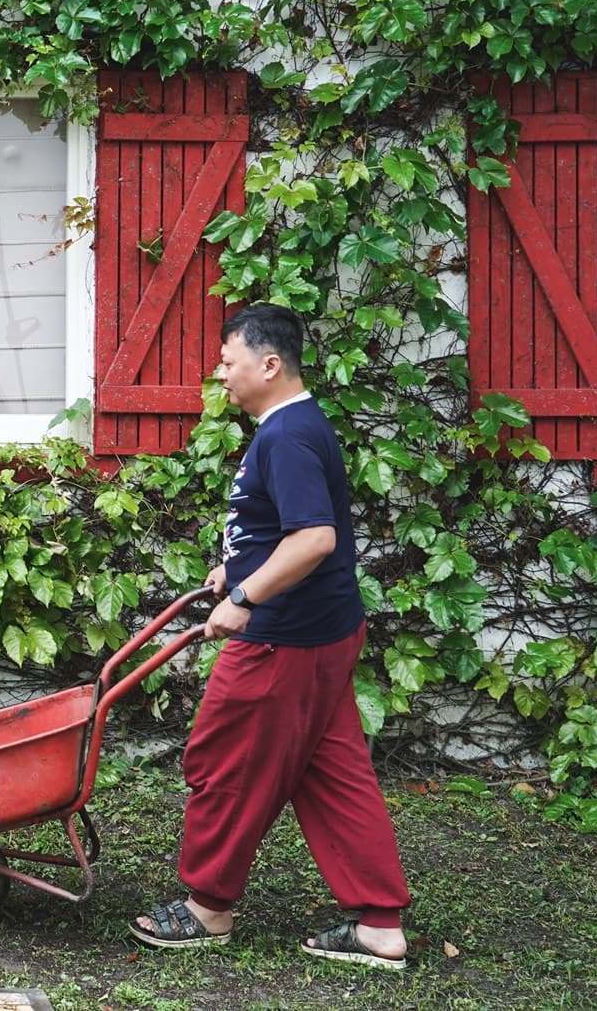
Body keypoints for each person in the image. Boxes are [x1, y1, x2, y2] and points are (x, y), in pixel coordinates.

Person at [127, 304, 411, 971]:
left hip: (284, 638)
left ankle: (207, 907)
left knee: (224, 759)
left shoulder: (285, 434)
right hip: (322, 632)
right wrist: (240, 565)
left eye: (228, 361)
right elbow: (293, 527)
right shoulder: (297, 426)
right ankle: (378, 923)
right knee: (333, 771)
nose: (220, 373)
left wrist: (248, 596)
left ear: (269, 363)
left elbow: (316, 536)